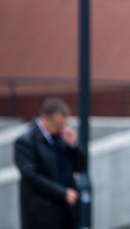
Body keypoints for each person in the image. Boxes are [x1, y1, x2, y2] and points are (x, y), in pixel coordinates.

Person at [14, 97, 87, 229]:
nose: (62, 129)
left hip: (66, 212)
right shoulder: (26, 142)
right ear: (45, 119)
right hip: (41, 214)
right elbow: (32, 176)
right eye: (58, 125)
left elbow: (80, 167)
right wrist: (62, 193)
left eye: (64, 124)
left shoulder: (60, 139)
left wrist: (73, 147)